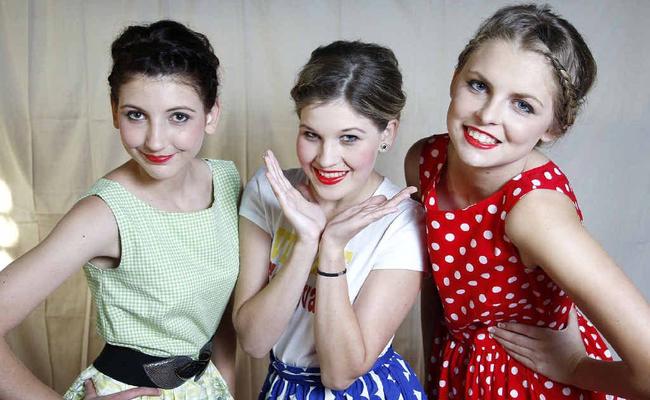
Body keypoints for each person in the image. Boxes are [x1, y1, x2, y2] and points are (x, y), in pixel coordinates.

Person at [405, 4, 650, 399]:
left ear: (553, 127)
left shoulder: (535, 213)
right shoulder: (423, 162)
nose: (487, 114)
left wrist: (575, 366)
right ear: (455, 78)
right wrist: (433, 372)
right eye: (479, 85)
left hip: (527, 385)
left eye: (523, 105)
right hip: (457, 369)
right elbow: (435, 286)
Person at [0, 20, 239, 400]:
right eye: (135, 115)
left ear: (211, 115)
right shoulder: (102, 214)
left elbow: (224, 304)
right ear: (114, 112)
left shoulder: (225, 181)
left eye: (178, 116)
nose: (155, 140)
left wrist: (223, 379)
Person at [233, 40, 427, 399]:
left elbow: (339, 373)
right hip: (283, 386)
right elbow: (254, 341)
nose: (326, 159)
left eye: (349, 138)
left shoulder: (402, 222)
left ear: (388, 133)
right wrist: (307, 242)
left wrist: (332, 250)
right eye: (311, 135)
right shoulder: (268, 189)